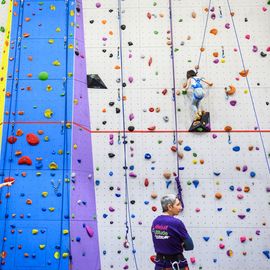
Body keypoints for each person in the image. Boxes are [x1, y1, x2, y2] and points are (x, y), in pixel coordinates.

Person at [151, 194, 194, 270]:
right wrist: (181, 244)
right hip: (175, 264)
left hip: (160, 264)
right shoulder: (177, 223)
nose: (181, 207)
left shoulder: (155, 222)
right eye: (178, 205)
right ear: (169, 207)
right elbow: (190, 246)